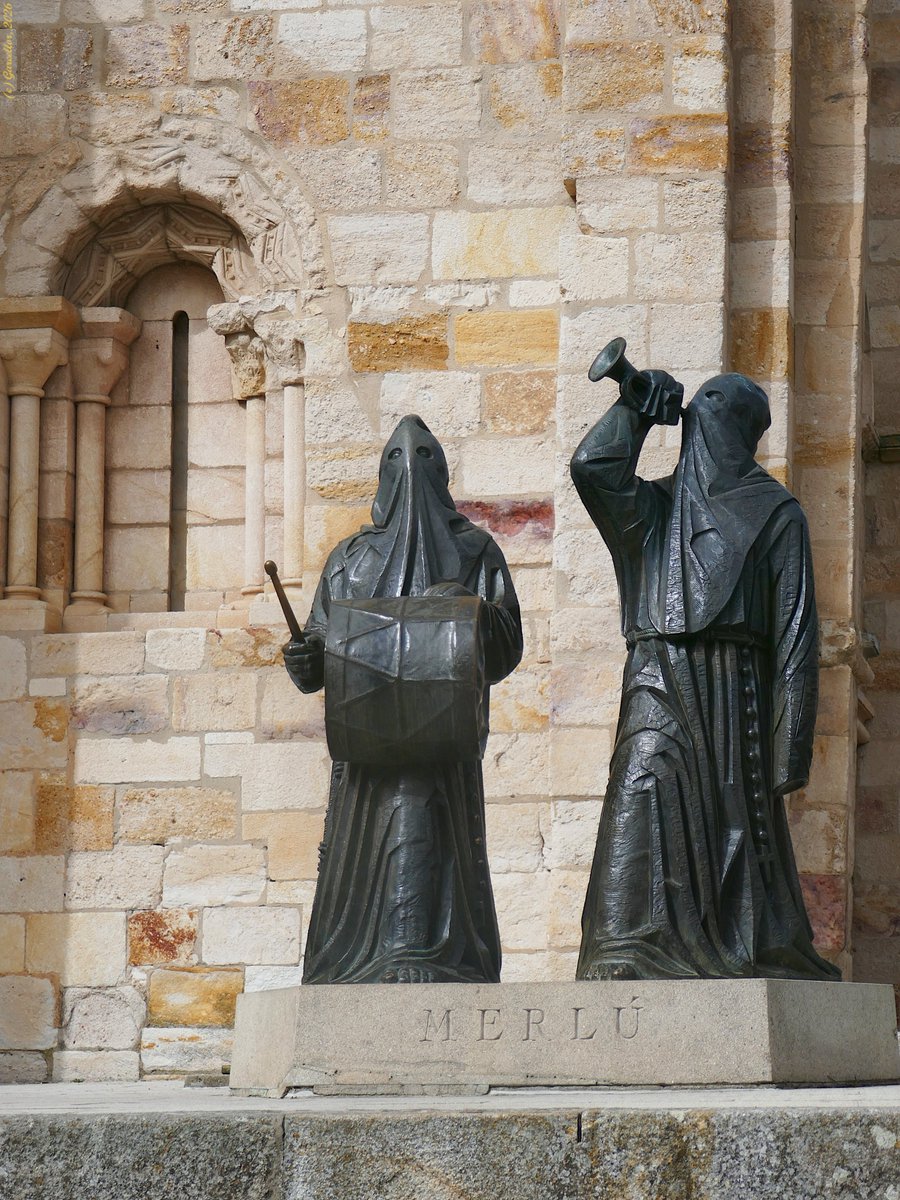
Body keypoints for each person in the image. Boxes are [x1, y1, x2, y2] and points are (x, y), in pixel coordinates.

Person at [570, 367, 840, 982]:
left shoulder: (778, 514)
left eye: (722, 404)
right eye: (704, 400)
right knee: (641, 789)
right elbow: (593, 469)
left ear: (745, 429)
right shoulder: (653, 510)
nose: (705, 410)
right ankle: (624, 945)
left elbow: (797, 635)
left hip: (735, 686)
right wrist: (635, 409)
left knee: (732, 825)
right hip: (657, 676)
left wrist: (788, 748)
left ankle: (738, 944)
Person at [284, 415, 523, 984]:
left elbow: (508, 642)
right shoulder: (349, 558)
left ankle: (435, 955)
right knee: (371, 833)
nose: (410, 469)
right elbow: (320, 644)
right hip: (365, 743)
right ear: (381, 476)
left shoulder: (475, 549)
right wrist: (305, 659)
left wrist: (467, 611)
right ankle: (353, 960)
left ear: (442, 473)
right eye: (396, 459)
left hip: (445, 739)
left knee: (428, 825)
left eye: (424, 458)